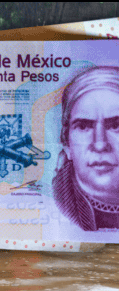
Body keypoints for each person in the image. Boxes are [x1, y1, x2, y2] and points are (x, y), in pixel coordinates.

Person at [53, 66, 119, 230]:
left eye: (116, 125)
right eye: (83, 126)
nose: (100, 144)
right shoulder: (56, 207)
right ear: (66, 143)